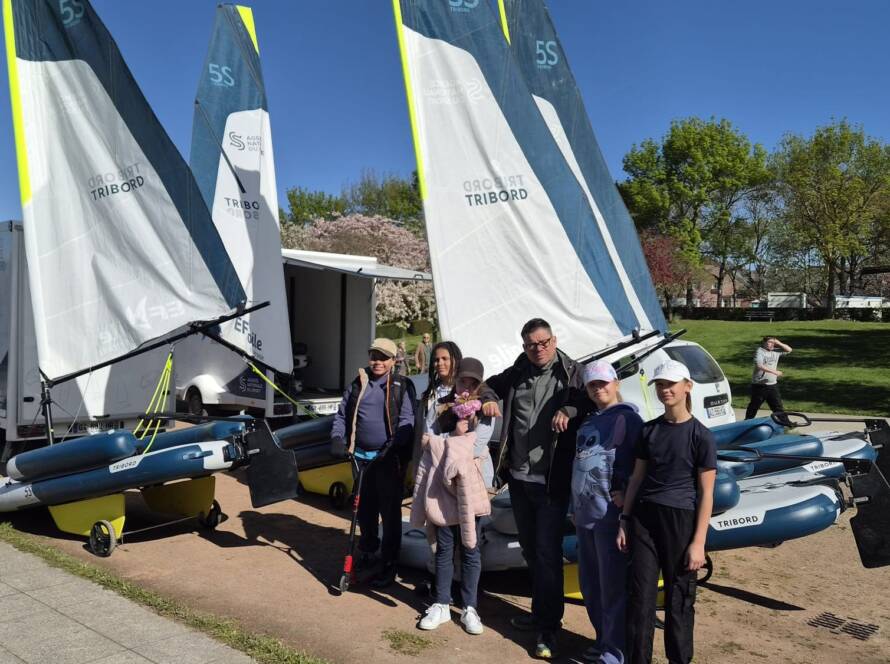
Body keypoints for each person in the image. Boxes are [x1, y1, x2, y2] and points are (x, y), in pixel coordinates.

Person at [480, 318, 591, 659]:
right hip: (519, 478)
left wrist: (570, 409)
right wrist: (487, 399)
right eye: (531, 344)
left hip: (550, 483)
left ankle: (549, 627)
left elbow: (593, 398)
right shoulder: (518, 370)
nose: (538, 349)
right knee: (530, 551)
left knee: (546, 554)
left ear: (554, 341)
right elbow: (487, 385)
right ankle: (541, 615)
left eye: (543, 343)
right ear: (524, 345)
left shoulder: (572, 373)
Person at [617, 360, 717, 664]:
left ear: (687, 386)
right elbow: (636, 479)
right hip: (645, 520)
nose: (665, 390)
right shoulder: (649, 431)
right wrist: (624, 520)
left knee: (679, 600)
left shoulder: (701, 436)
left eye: (671, 384)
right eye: (660, 385)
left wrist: (698, 542)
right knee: (641, 600)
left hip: (681, 521)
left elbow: (707, 492)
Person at [412, 357, 494, 635]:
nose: (466, 387)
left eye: (473, 382)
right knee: (445, 548)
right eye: (463, 380)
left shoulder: (486, 410)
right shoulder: (441, 406)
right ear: (456, 379)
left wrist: (444, 442)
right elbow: (426, 439)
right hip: (443, 488)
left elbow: (476, 444)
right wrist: (454, 437)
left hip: (474, 486)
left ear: (479, 384)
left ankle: (470, 606)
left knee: (471, 549)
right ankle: (442, 603)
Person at [572, 361, 643, 664]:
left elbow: (637, 464)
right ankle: (603, 639)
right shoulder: (588, 422)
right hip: (583, 515)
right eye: (592, 385)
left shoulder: (628, 419)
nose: (599, 389)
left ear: (616, 383)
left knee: (612, 586)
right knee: (590, 584)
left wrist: (626, 501)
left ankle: (616, 652)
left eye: (604, 383)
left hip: (609, 517)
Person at [330, 338, 415, 588]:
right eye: (374, 356)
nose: (378, 361)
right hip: (360, 457)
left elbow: (407, 420)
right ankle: (367, 552)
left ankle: (389, 561)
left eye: (383, 357)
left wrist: (395, 444)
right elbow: (342, 414)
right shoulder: (358, 383)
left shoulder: (401, 385)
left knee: (389, 514)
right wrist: (337, 438)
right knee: (364, 510)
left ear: (393, 360)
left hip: (388, 458)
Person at [744, 336, 793, 421]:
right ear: (764, 343)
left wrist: (779, 343)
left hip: (772, 385)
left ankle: (787, 424)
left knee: (777, 406)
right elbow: (759, 366)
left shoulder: (776, 351)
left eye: (773, 342)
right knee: (754, 406)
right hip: (760, 385)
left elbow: (789, 350)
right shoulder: (760, 351)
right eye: (770, 342)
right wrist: (775, 372)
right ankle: (747, 422)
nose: (772, 344)